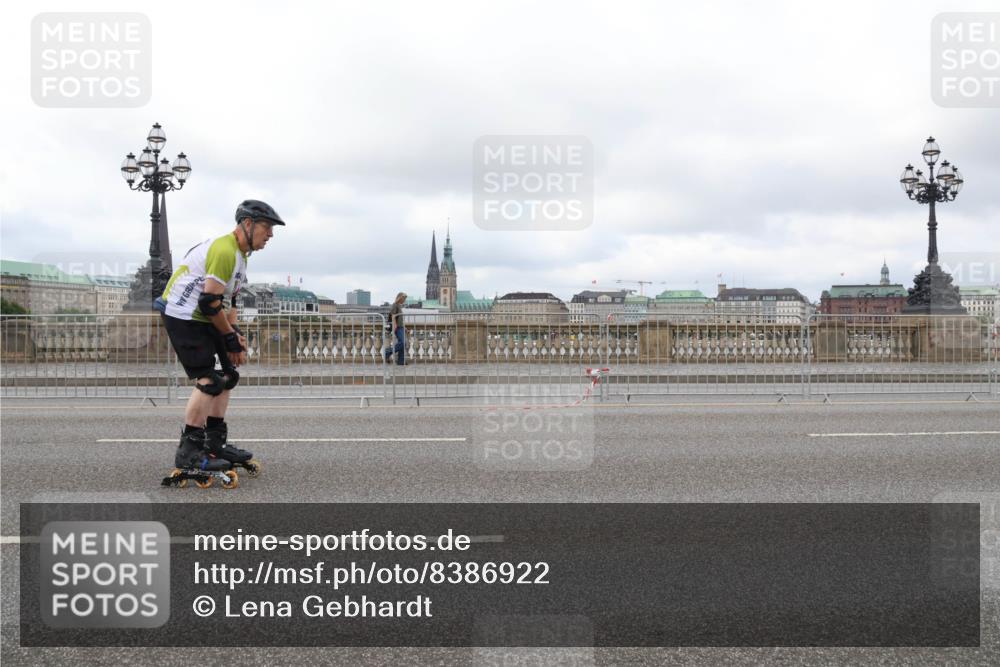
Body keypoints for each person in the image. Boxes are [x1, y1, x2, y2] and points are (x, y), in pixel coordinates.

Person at [158, 199, 285, 487]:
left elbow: (229, 303)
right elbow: (208, 300)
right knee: (210, 379)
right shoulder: (225, 249)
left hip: (204, 314)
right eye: (267, 228)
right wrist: (227, 337)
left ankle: (214, 443)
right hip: (183, 314)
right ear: (248, 224)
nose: (271, 235)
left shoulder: (243, 257)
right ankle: (189, 452)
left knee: (228, 375)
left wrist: (235, 334)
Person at [385, 292, 407, 365]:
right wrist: (395, 326)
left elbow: (400, 318)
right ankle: (388, 352)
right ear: (400, 298)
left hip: (401, 326)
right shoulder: (395, 305)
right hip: (397, 327)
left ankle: (401, 361)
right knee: (402, 343)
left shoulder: (399, 305)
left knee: (404, 343)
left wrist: (404, 327)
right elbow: (393, 316)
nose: (404, 300)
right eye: (404, 298)